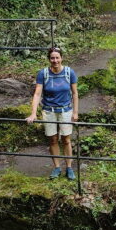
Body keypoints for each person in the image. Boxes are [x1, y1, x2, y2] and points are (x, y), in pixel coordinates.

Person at [26, 47, 79, 180]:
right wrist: (33, 113)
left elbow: (75, 93)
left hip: (65, 110)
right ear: (49, 59)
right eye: (52, 58)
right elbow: (37, 94)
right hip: (49, 111)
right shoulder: (43, 74)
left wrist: (75, 112)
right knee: (53, 139)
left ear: (61, 58)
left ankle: (69, 167)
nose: (55, 60)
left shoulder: (69, 72)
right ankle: (56, 167)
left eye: (57, 57)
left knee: (66, 140)